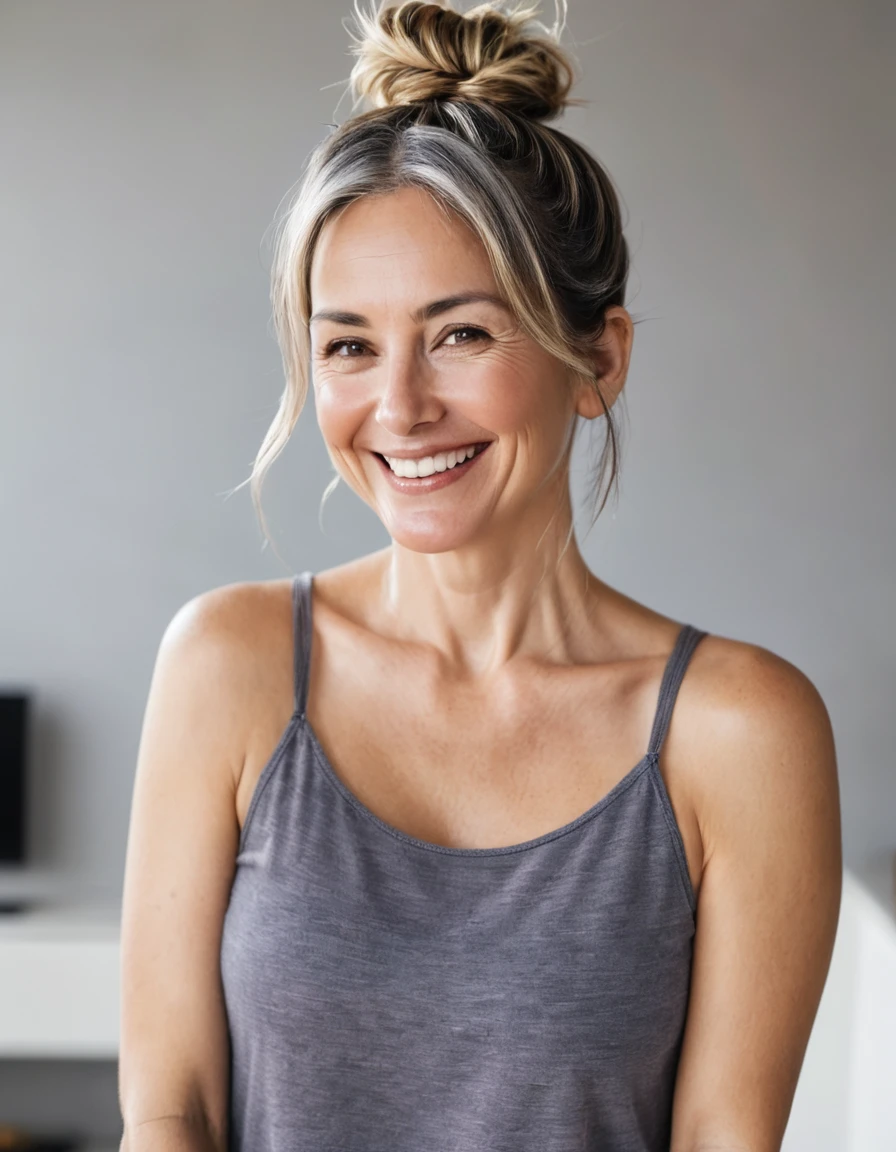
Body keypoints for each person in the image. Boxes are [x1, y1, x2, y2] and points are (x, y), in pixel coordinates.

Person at [117, 2, 843, 1149]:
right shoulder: (230, 668)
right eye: (349, 344)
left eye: (460, 334)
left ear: (596, 360)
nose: (398, 407)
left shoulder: (739, 730)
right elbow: (174, 1110)